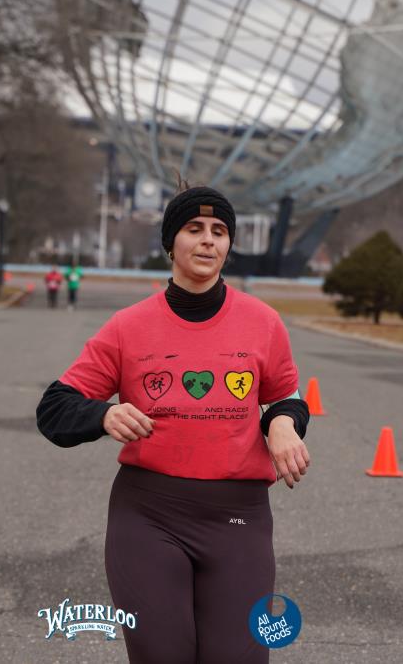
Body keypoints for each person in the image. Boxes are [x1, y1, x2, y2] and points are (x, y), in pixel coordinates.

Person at [36, 183, 311, 663]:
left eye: (219, 231)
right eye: (194, 229)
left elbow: (286, 397)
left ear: (229, 244)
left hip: (239, 518)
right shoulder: (128, 326)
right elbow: (54, 408)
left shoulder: (263, 322)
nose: (208, 240)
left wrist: (283, 425)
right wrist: (104, 413)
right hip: (148, 516)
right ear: (170, 242)